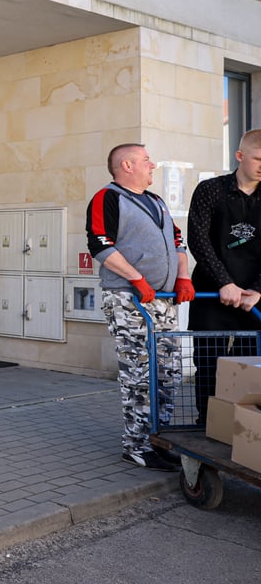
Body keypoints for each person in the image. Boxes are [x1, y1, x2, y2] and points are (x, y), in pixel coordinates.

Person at [86, 143, 194, 471]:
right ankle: (136, 445)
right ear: (127, 165)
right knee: (139, 374)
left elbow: (177, 241)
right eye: (147, 160)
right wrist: (136, 279)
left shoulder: (158, 202)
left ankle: (158, 440)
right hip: (130, 299)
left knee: (168, 372)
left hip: (162, 300)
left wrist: (183, 277)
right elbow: (99, 243)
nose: (153, 165)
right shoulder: (109, 197)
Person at [187, 129, 261, 424]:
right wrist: (224, 283)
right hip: (211, 294)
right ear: (240, 156)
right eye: (258, 158)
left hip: (254, 301)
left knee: (251, 366)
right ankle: (208, 424)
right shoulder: (210, 190)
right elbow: (198, 240)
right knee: (208, 364)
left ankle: (244, 428)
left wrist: (257, 289)